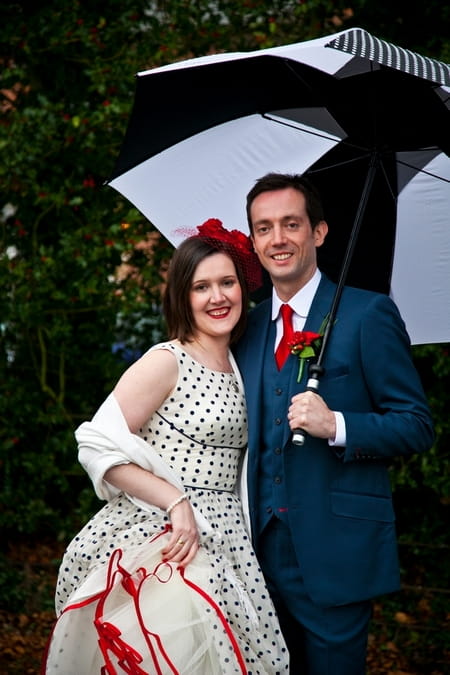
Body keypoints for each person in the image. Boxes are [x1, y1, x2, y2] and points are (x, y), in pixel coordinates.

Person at [43, 219, 289, 675]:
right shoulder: (166, 360)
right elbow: (95, 443)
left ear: (243, 288)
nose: (218, 297)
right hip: (166, 537)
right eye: (202, 286)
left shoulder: (245, 365)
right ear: (182, 296)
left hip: (229, 539)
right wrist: (174, 501)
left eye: (227, 283)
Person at [233, 173, 434, 675]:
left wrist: (338, 425)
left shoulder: (369, 314)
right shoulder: (248, 325)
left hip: (336, 554)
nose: (278, 239)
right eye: (264, 228)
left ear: (319, 232)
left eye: (291, 224)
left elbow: (415, 424)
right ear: (254, 240)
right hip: (254, 555)